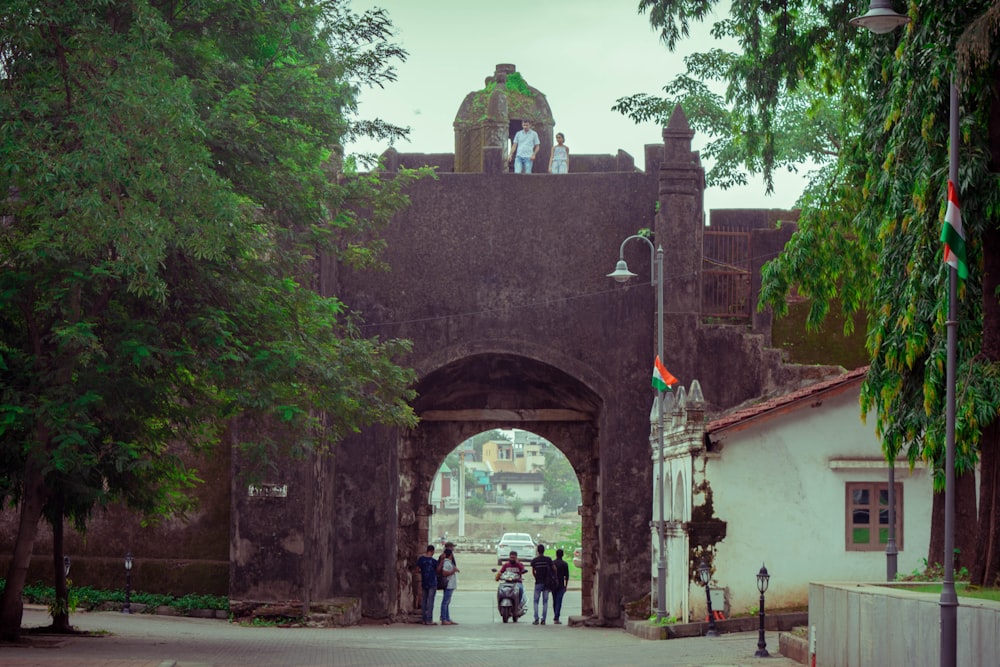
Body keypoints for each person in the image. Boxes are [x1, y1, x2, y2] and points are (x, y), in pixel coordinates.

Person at [530, 543, 553, 625]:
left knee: (536, 601)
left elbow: (533, 571)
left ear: (537, 551)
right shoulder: (548, 559)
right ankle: (544, 619)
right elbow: (554, 569)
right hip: (546, 583)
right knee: (545, 602)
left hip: (538, 582)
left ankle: (536, 619)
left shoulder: (535, 560)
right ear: (544, 550)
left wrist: (536, 577)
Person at [415, 545, 438, 625]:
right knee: (430, 601)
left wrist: (423, 572)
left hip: (424, 581)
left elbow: (417, 570)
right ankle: (429, 619)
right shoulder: (434, 561)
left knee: (424, 600)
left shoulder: (421, 559)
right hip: (432, 581)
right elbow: (438, 570)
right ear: (432, 551)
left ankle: (424, 619)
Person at [436, 547, 460, 625]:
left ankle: (447, 617)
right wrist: (453, 571)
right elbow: (444, 573)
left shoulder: (449, 562)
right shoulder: (446, 563)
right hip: (448, 585)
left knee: (447, 602)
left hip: (450, 585)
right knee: (445, 602)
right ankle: (444, 618)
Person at [551, 548, 570, 624]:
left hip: (554, 584)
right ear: (563, 555)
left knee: (555, 601)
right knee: (559, 601)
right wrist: (566, 586)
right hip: (561, 584)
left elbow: (550, 574)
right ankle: (556, 617)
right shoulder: (565, 564)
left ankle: (555, 615)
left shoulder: (553, 563)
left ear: (556, 554)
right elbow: (567, 576)